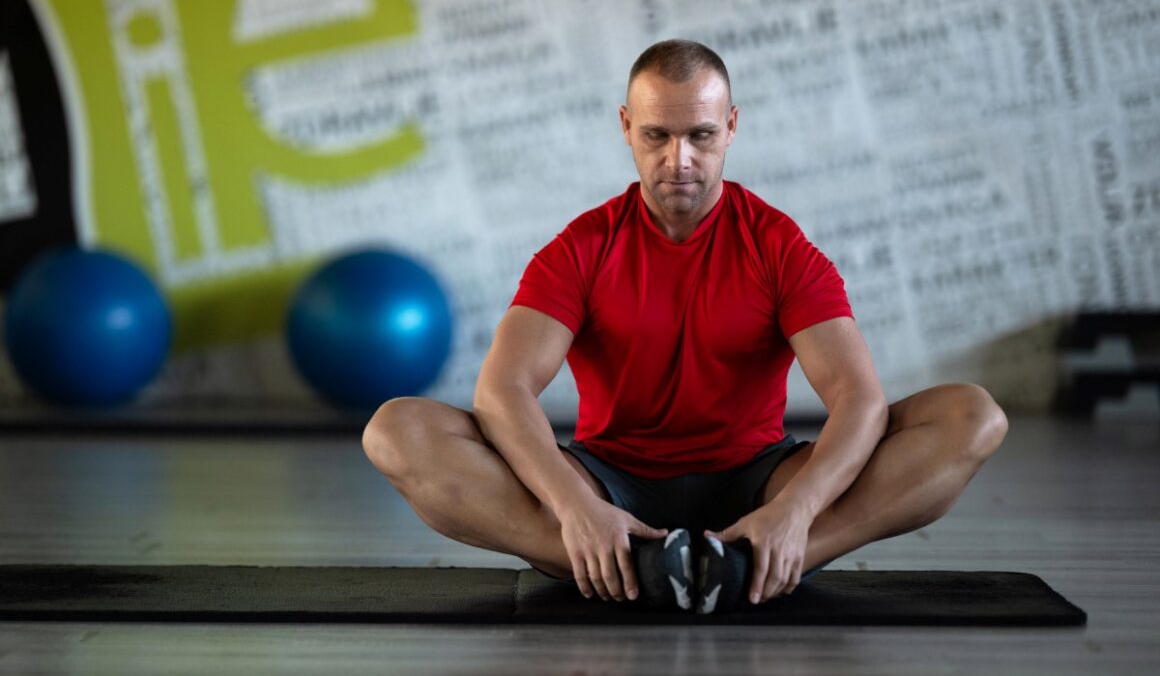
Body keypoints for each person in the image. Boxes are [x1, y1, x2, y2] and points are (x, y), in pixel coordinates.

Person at [362, 39, 1008, 614]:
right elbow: (502, 391)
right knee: (397, 430)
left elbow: (858, 396)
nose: (679, 159)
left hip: (755, 479)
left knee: (969, 417)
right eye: (657, 135)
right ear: (625, 127)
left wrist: (795, 511)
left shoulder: (778, 244)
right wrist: (577, 508)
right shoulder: (582, 247)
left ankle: (760, 558)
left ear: (731, 127)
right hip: (610, 480)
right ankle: (632, 560)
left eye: (700, 134)